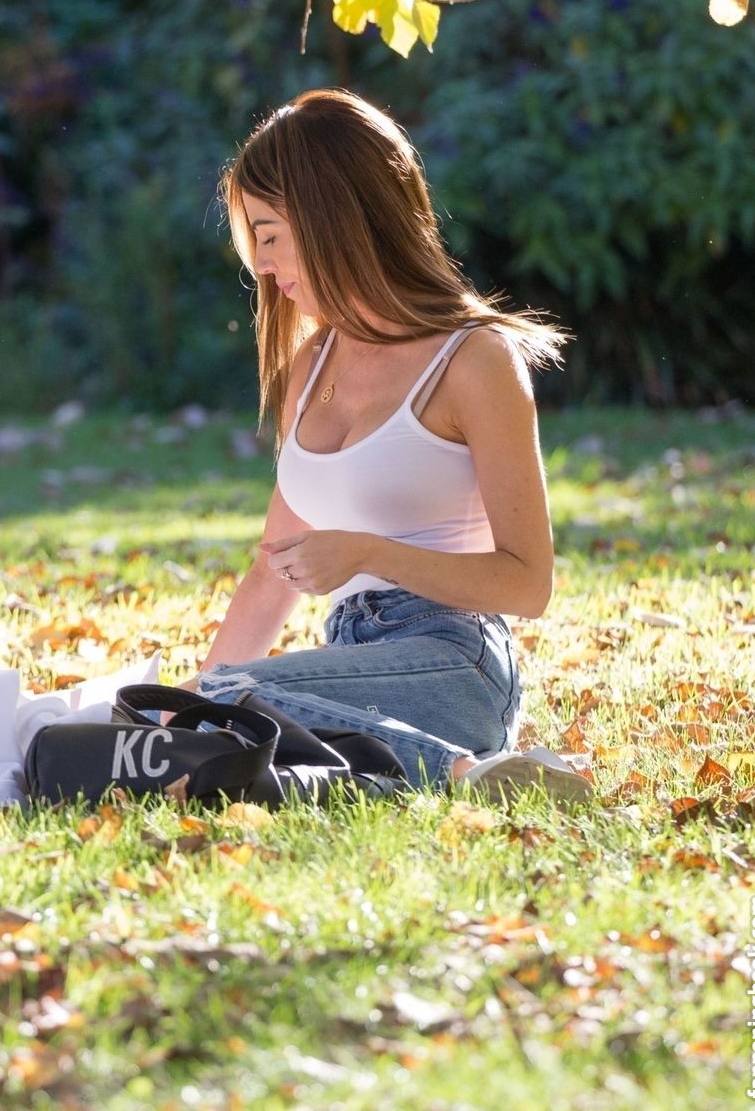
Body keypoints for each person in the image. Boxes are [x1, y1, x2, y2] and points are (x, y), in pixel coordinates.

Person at [186, 89, 592, 803]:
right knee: (211, 719)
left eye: (270, 235)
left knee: (229, 704)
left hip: (454, 660)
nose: (262, 266)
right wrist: (185, 710)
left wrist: (370, 554)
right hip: (352, 663)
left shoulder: (474, 360)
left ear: (331, 216)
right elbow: (271, 576)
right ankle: (402, 771)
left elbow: (528, 584)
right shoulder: (310, 366)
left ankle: (468, 774)